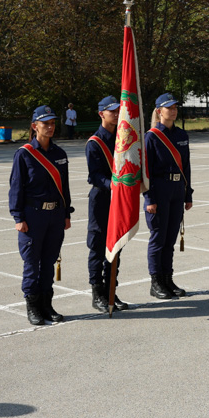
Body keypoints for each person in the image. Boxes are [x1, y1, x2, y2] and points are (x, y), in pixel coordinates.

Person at [9, 105, 74, 326]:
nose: (50, 127)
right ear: (34, 126)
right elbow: (16, 188)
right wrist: (18, 217)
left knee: (49, 262)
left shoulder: (60, 154)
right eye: (45, 123)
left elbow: (64, 187)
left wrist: (67, 213)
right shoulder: (24, 154)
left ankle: (47, 305)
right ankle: (33, 306)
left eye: (53, 123)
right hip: (33, 216)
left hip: (55, 215)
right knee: (31, 263)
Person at [144, 93, 193, 299]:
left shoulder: (182, 135)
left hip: (176, 189)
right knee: (158, 238)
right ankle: (156, 282)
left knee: (170, 238)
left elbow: (187, 166)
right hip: (160, 189)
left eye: (175, 107)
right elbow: (146, 171)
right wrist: (149, 199)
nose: (173, 111)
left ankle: (167, 279)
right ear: (159, 111)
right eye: (168, 108)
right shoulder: (151, 137)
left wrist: (187, 193)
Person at [85, 95, 128, 313]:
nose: (116, 114)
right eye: (112, 111)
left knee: (117, 245)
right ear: (101, 114)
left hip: (119, 200)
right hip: (102, 199)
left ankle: (112, 290)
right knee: (98, 247)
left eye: (118, 110)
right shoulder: (95, 142)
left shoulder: (123, 138)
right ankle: (97, 293)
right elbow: (94, 176)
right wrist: (114, 185)